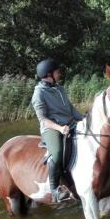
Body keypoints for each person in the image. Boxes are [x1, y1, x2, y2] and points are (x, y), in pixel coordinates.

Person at [31, 59, 84, 202]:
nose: (59, 73)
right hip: (51, 128)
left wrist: (83, 119)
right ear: (49, 74)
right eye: (57, 71)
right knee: (57, 152)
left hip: (69, 124)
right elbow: (43, 119)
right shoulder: (39, 94)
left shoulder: (59, 88)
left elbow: (70, 108)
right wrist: (60, 128)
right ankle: (55, 190)